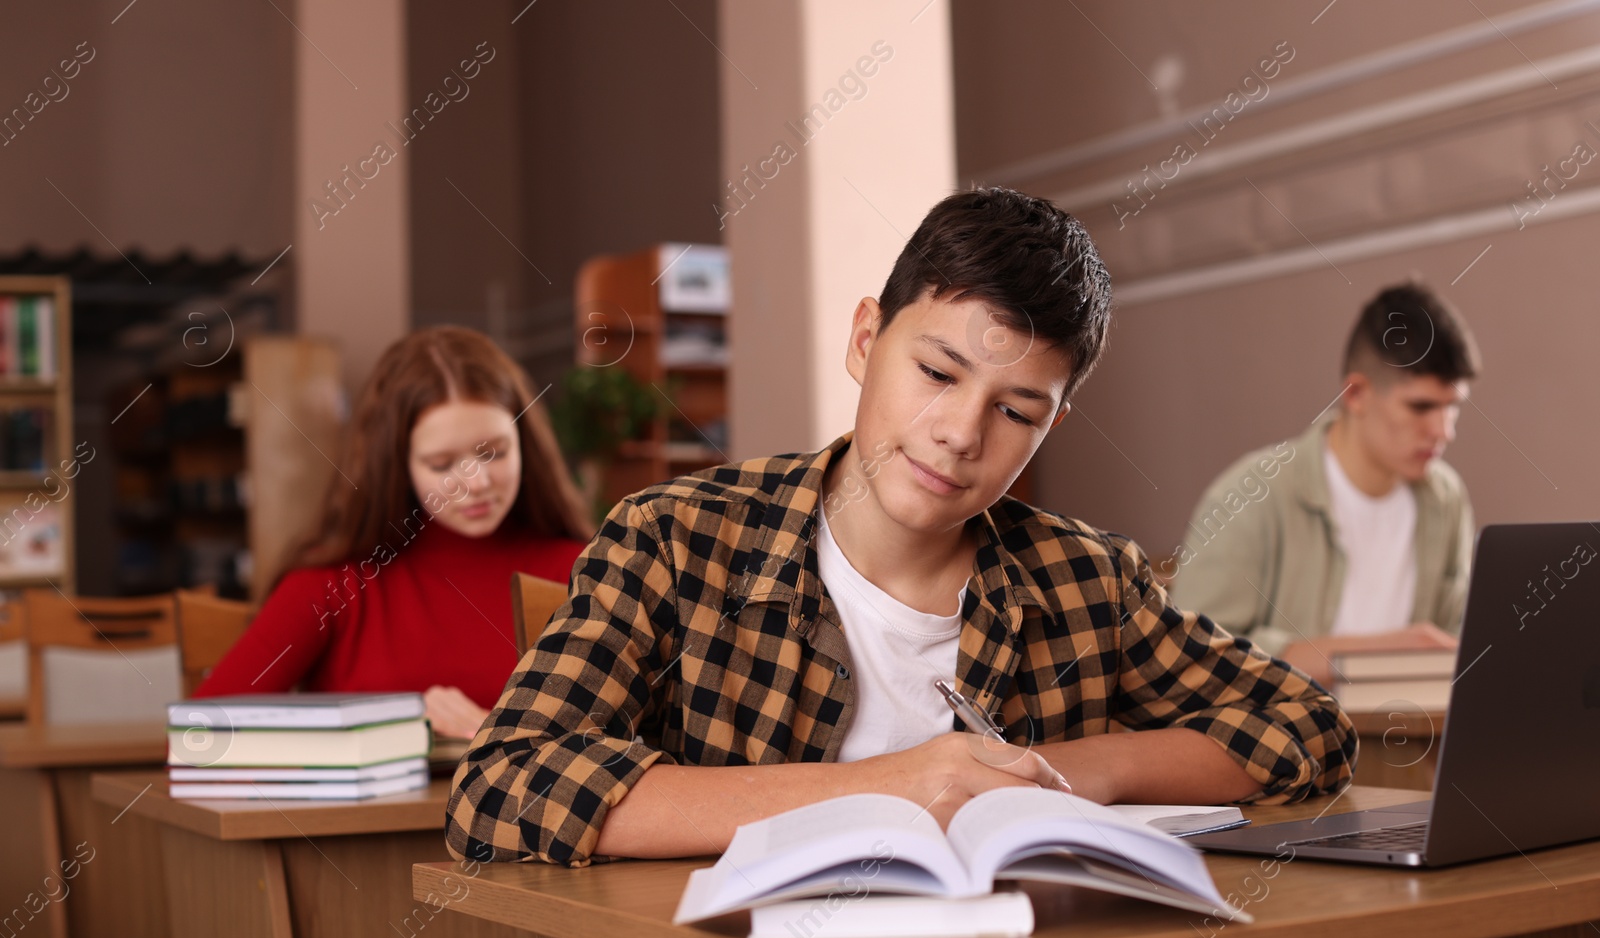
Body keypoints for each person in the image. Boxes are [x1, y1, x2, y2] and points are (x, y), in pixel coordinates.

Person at [447, 188, 1354, 868]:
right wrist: (887, 788)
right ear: (864, 338)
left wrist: (1076, 766)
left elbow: (1305, 726)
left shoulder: (1085, 580)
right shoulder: (673, 541)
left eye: (1016, 411)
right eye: (936, 371)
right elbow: (500, 786)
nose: (961, 432)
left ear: (1051, 426)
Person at [196, 326, 593, 738]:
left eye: (495, 452)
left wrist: (494, 733)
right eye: (441, 464)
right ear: (398, 468)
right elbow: (200, 738)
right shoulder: (334, 585)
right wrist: (391, 726)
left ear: (525, 441)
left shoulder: (585, 572)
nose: (475, 483)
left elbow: (640, 745)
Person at [1174, 283, 1478, 686]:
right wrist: (1390, 651)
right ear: (1356, 394)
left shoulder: (1446, 498)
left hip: (1410, 734)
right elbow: (1191, 658)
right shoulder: (1251, 493)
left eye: (1453, 407)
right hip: (1288, 737)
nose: (1444, 430)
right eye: (1421, 406)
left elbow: (1455, 644)